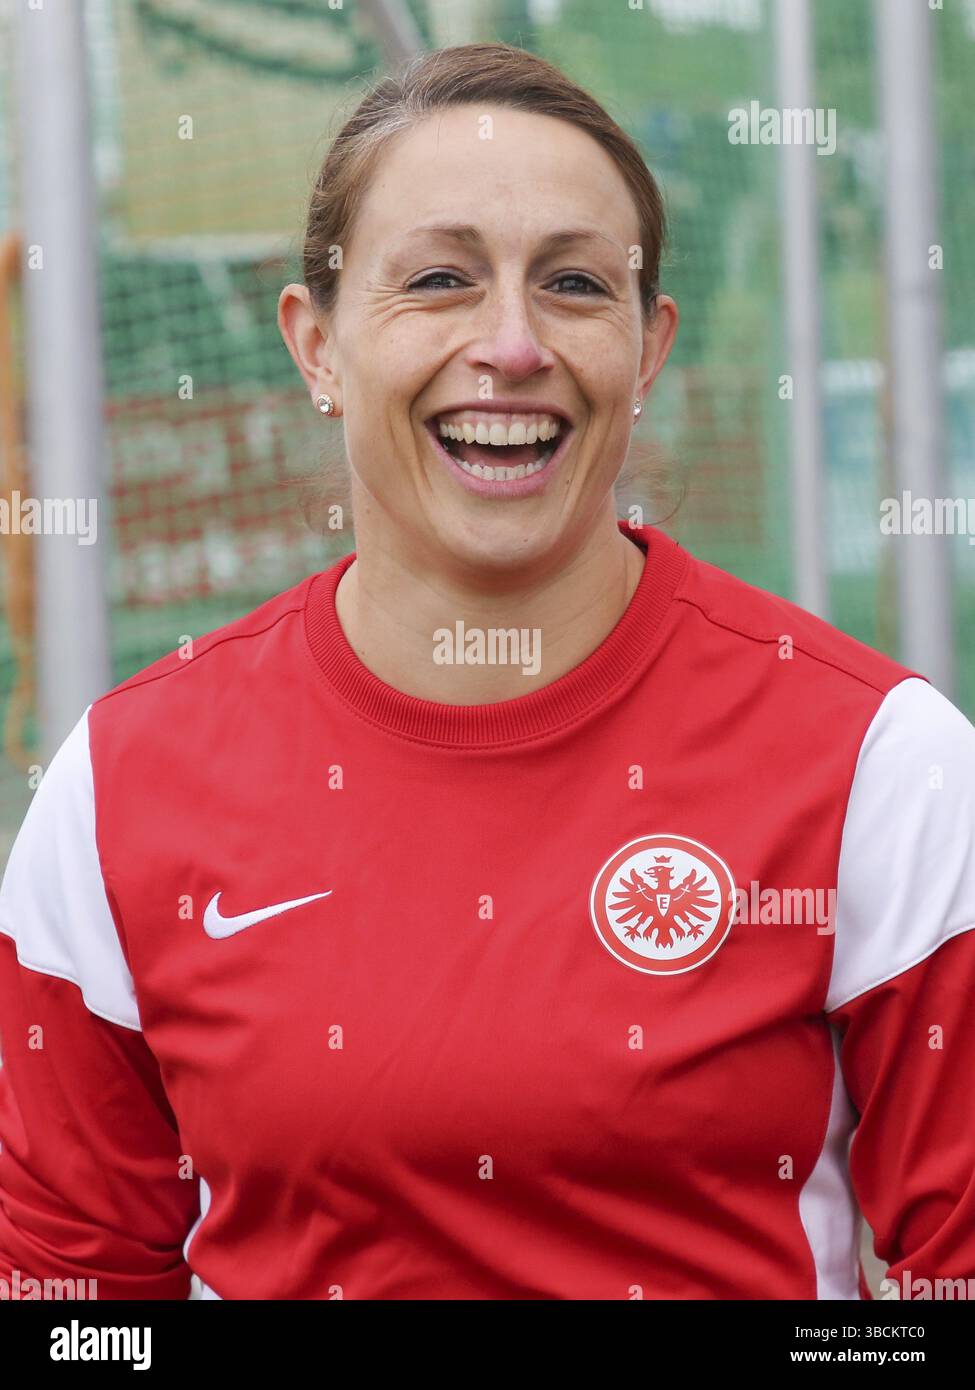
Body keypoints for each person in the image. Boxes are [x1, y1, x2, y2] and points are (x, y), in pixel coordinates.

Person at [1, 42, 973, 1302]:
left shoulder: (882, 761)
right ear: (319, 347)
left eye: (573, 283)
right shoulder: (118, 786)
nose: (510, 345)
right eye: (440, 280)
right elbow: (74, 1310)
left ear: (650, 345)